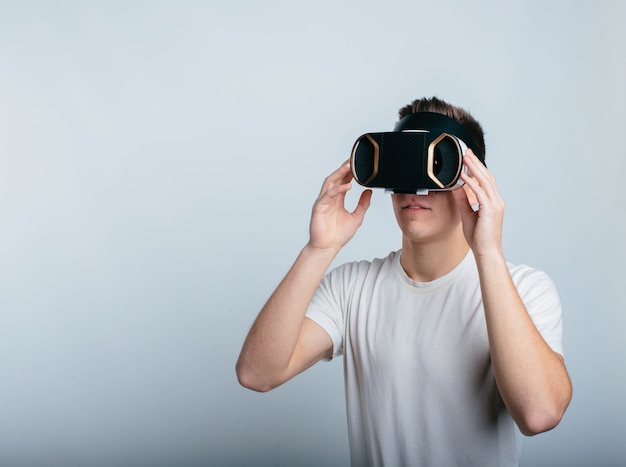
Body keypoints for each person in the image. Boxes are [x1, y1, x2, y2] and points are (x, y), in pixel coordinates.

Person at [236, 96, 572, 466]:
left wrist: (488, 253)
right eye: (402, 167)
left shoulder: (525, 289)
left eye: (437, 165)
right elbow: (256, 373)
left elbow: (539, 414)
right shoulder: (352, 288)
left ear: (474, 183)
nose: (414, 188)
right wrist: (319, 248)